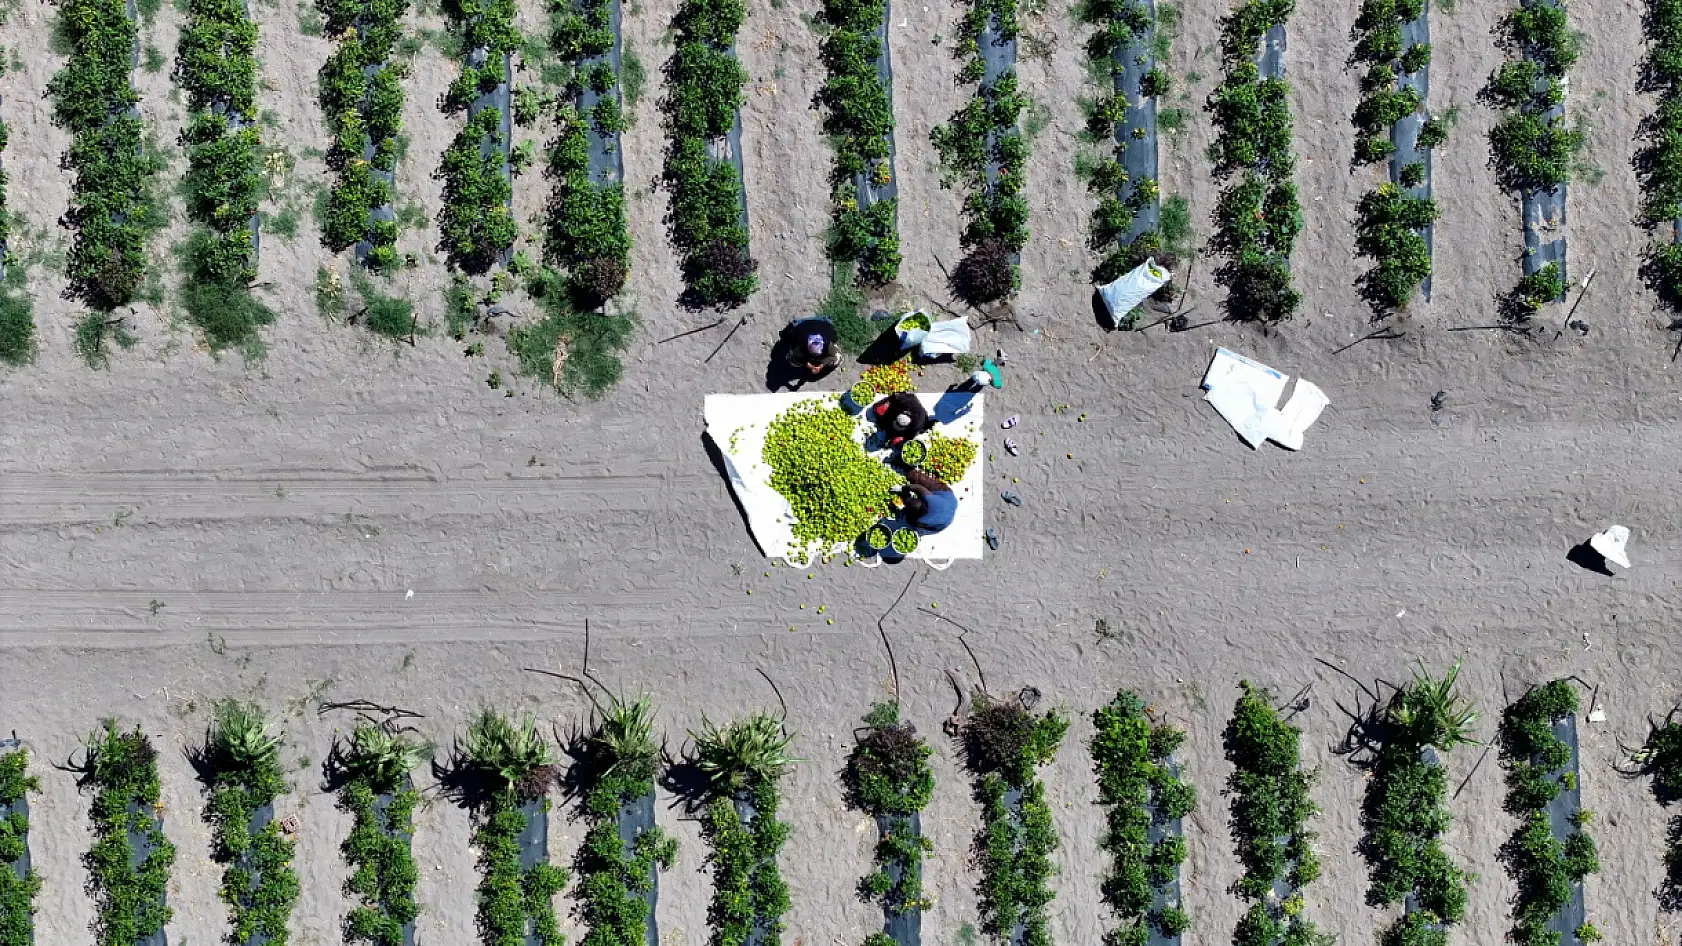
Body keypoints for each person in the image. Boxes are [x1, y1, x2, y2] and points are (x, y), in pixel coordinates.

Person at [900, 468, 957, 534]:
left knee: (910, 520)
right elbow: (919, 488)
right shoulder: (931, 499)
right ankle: (911, 473)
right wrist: (906, 488)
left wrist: (905, 497)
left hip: (942, 521)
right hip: (945, 496)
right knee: (917, 477)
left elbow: (915, 522)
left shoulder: (923, 520)